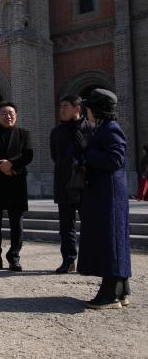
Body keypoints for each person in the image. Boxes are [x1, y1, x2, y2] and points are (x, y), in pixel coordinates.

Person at [76, 89, 131, 309]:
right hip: (104, 192)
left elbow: (115, 159)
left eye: (88, 108)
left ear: (97, 110)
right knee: (114, 240)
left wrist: (86, 152)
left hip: (109, 194)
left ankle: (109, 295)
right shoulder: (102, 129)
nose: (86, 112)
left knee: (111, 241)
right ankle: (123, 290)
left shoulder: (111, 129)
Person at [0, 101, 33, 272]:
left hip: (16, 181)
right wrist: (2, 165)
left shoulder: (24, 134)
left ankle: (14, 258)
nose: (8, 116)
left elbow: (28, 155)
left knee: (17, 223)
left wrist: (12, 165)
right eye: (4, 113)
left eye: (11, 113)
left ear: (16, 115)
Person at [49, 95, 90, 273]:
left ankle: (90, 260)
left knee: (89, 224)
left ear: (77, 109)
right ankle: (69, 260)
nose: (61, 109)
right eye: (60, 106)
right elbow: (54, 156)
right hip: (64, 183)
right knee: (66, 227)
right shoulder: (56, 132)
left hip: (85, 185)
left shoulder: (89, 128)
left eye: (65, 106)